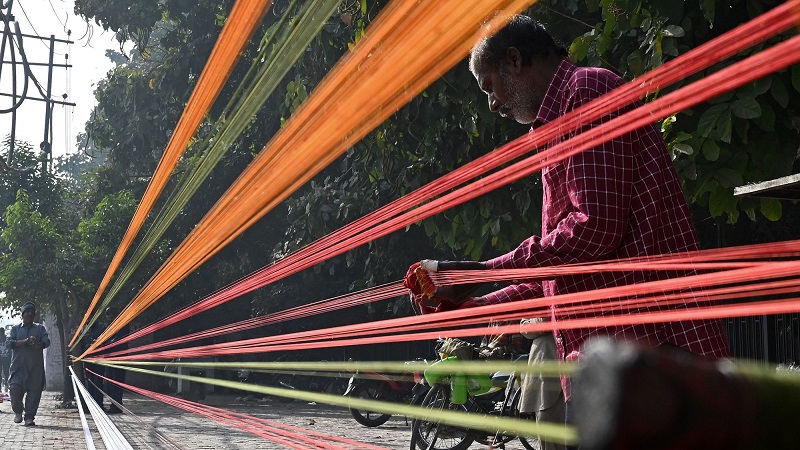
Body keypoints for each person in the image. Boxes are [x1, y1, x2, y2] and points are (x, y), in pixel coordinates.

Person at [407, 14, 730, 430]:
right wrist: (471, 307)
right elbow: (558, 273)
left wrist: (478, 272)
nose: (493, 104)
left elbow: (594, 228)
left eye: (491, 87)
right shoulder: (555, 124)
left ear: (514, 60)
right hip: (617, 365)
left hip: (651, 354)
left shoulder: (585, 90)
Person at [5, 302, 50, 426]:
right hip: (18, 368)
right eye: (27, 312)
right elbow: (9, 344)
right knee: (14, 389)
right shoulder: (15, 329)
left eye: (32, 312)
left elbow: (46, 341)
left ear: (34, 315)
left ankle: (29, 417)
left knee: (34, 394)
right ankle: (18, 412)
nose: (30, 314)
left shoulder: (40, 329)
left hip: (35, 369)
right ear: (22, 314)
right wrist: (25, 341)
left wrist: (39, 344)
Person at [101, 306, 129, 414]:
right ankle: (113, 404)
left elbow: (117, 340)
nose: (109, 317)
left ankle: (117, 405)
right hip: (109, 357)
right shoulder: (108, 325)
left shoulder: (122, 324)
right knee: (110, 383)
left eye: (110, 315)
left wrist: (105, 344)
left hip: (119, 357)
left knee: (117, 382)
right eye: (107, 315)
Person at [1, 327, 11, 393]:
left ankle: (6, 385)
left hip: (7, 359)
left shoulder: (8, 339)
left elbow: (11, 348)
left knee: (6, 372)